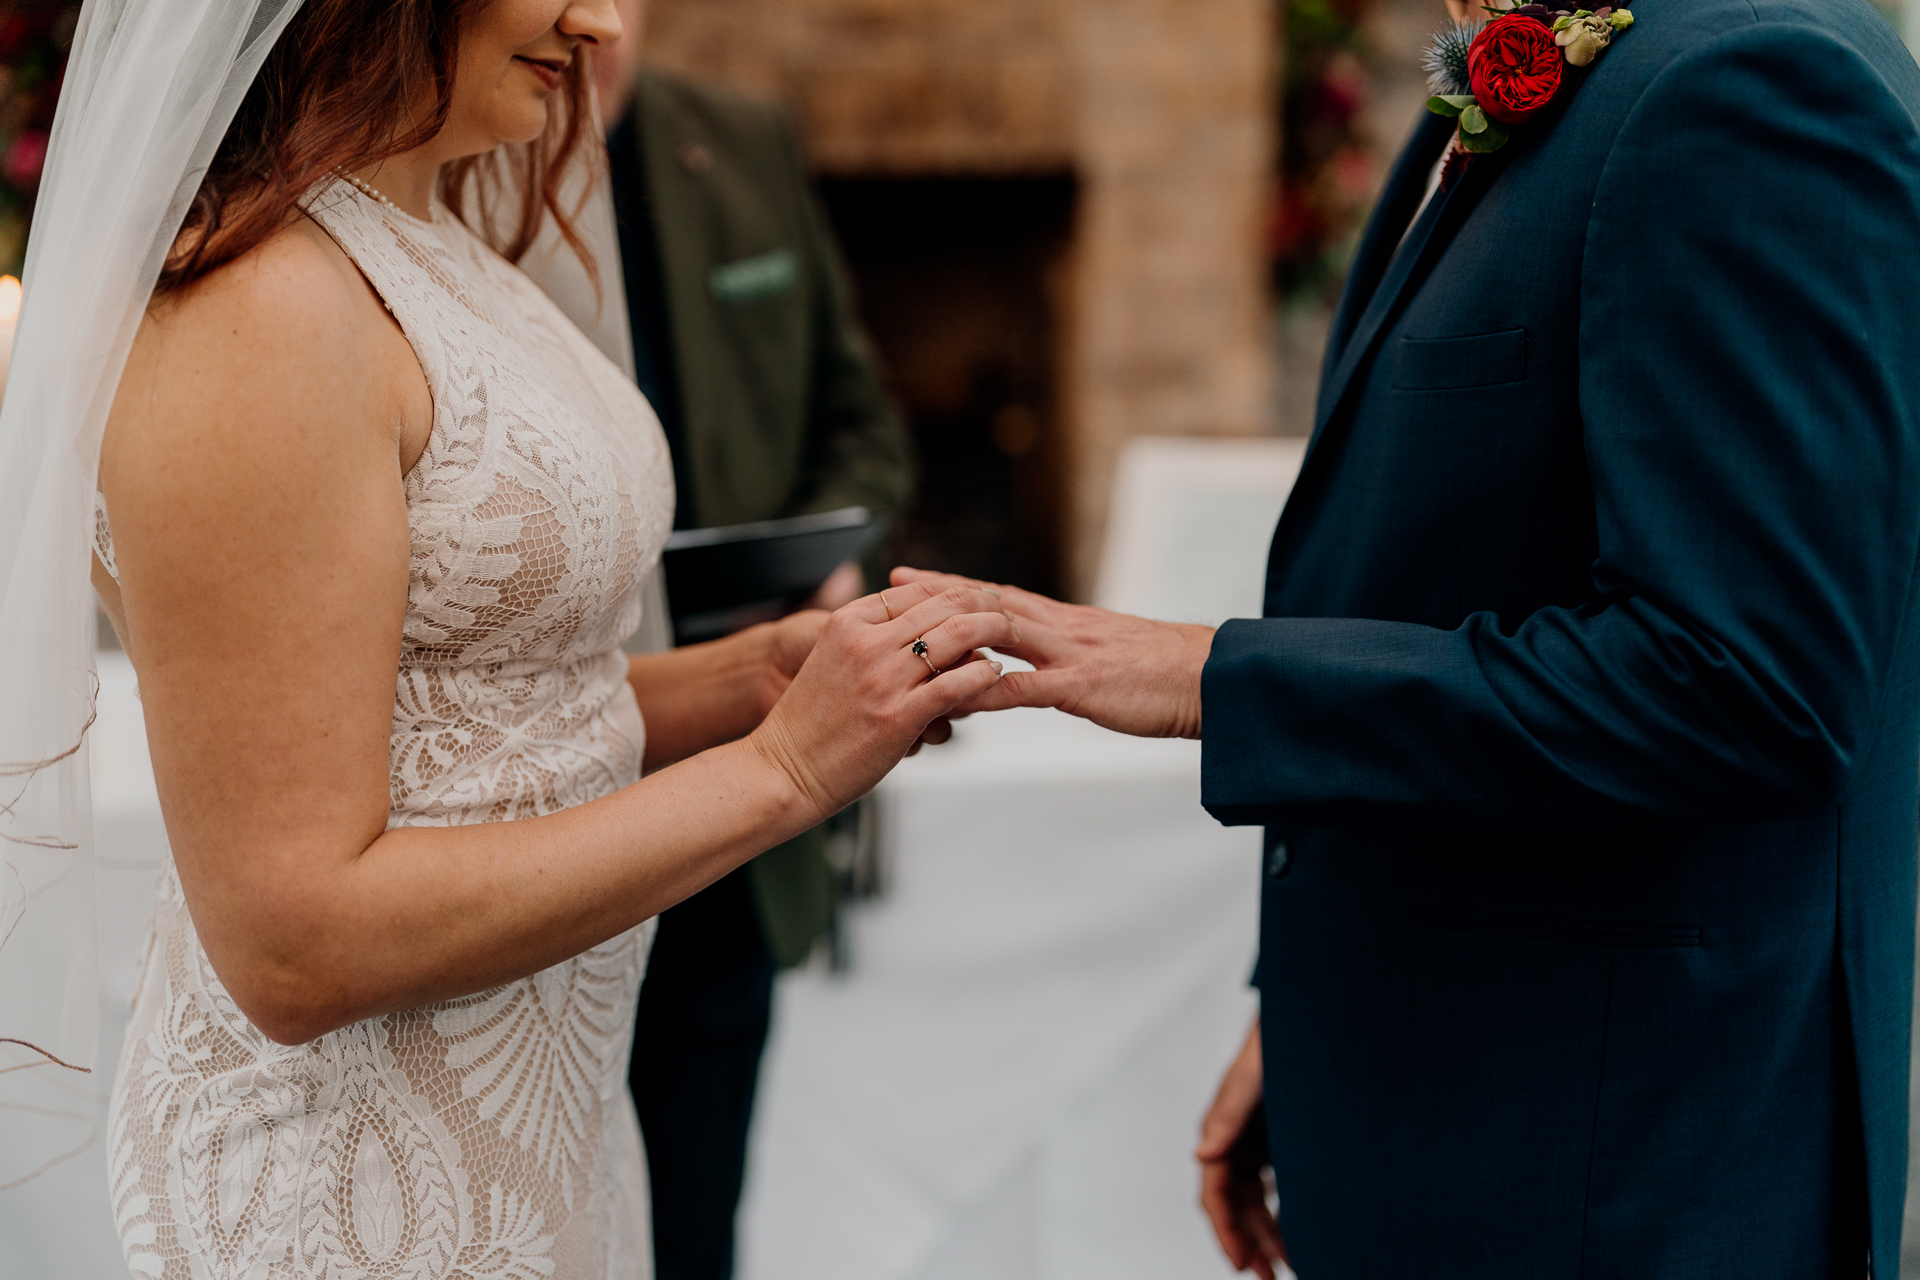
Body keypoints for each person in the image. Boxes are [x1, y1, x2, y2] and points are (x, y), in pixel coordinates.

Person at [897, 0, 1920, 1271]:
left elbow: (1745, 686)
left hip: (1614, 1166)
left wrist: (1213, 673)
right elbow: (1453, 557)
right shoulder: (1551, 63)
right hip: (1446, 1075)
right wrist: (1312, 1007)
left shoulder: (1752, 84)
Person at [55, 1, 1008, 1276]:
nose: (602, 18)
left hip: (540, 1131)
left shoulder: (429, 234)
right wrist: (782, 770)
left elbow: (483, 707)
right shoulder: (258, 309)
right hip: (354, 1185)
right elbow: (294, 937)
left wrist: (746, 679)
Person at [590, 10, 914, 1273]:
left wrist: (838, 562)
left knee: (693, 1217)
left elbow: (863, 422)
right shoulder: (444, 170)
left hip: (730, 779)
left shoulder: (738, 141)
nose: (597, 21)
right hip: (518, 801)